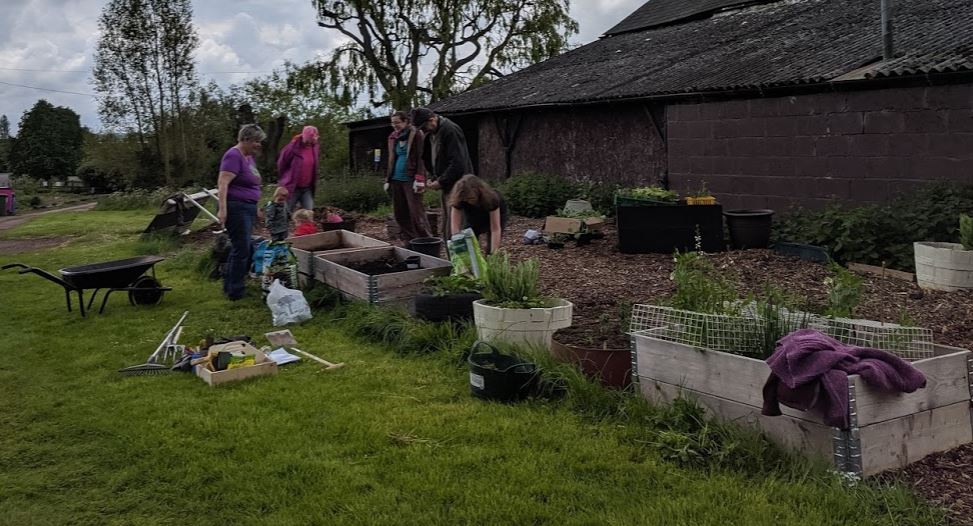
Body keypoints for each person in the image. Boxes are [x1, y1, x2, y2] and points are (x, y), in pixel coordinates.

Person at [218, 123, 266, 301]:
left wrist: (256, 206)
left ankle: (230, 285)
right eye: (256, 141)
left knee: (240, 247)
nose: (259, 145)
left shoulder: (248, 157)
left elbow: (252, 183)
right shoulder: (233, 155)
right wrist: (223, 210)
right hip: (235, 207)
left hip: (247, 207)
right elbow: (223, 184)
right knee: (242, 248)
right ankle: (235, 291)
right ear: (246, 139)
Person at [409, 107, 473, 239]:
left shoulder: (450, 130)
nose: (423, 130)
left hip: (459, 185)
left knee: (457, 229)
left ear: (432, 119)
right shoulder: (432, 134)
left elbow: (458, 163)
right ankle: (453, 258)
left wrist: (441, 181)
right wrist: (433, 177)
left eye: (424, 126)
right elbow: (431, 159)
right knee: (447, 226)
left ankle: (463, 258)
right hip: (447, 185)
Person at [384, 111, 431, 243]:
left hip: (411, 179)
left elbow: (421, 157)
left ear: (405, 121)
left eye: (397, 122)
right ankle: (411, 242)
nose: (395, 126)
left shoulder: (416, 135)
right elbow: (391, 159)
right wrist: (388, 179)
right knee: (400, 214)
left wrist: (420, 178)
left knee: (416, 214)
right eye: (393, 123)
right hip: (396, 179)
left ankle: (427, 241)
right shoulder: (393, 137)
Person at [449, 174, 508, 254]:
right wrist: (460, 248)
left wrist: (494, 253)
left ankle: (490, 260)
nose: (469, 201)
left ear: (479, 192)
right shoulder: (460, 199)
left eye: (471, 198)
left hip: (493, 216)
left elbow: (495, 229)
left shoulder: (492, 198)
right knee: (469, 244)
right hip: (472, 218)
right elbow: (455, 229)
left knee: (492, 249)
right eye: (466, 200)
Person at [277, 125, 319, 211]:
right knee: (285, 213)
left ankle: (305, 225)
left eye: (313, 140)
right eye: (309, 141)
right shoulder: (291, 148)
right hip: (292, 187)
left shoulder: (315, 148)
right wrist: (284, 180)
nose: (310, 143)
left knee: (308, 213)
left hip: (307, 188)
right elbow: (281, 164)